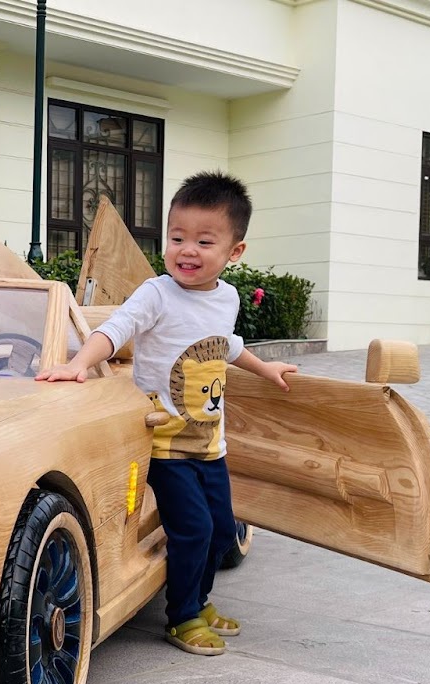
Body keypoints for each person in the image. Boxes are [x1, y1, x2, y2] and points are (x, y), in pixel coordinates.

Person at [35, 172, 296, 656]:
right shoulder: (157, 293)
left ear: (234, 252)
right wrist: (77, 364)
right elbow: (116, 329)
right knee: (192, 529)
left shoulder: (228, 298)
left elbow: (227, 346)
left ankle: (199, 600)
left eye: (203, 240)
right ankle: (182, 618)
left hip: (209, 444)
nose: (187, 250)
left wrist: (265, 368)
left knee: (220, 531)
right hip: (165, 441)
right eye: (177, 238)